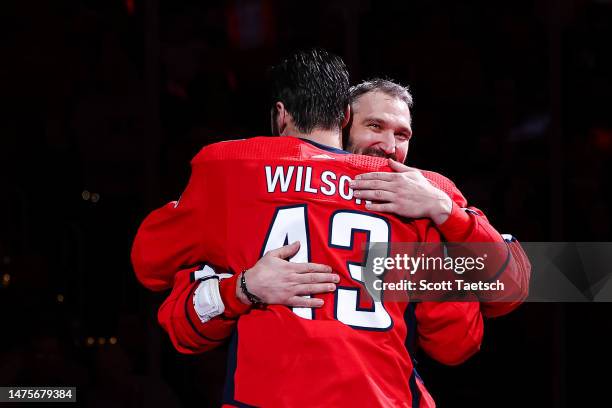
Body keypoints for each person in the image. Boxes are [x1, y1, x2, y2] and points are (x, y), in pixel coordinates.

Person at [132, 49, 484, 407]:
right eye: (376, 126)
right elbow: (457, 341)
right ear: (345, 117)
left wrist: (241, 287)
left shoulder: (228, 169)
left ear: (281, 115)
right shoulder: (424, 194)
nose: (389, 146)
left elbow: (149, 264)